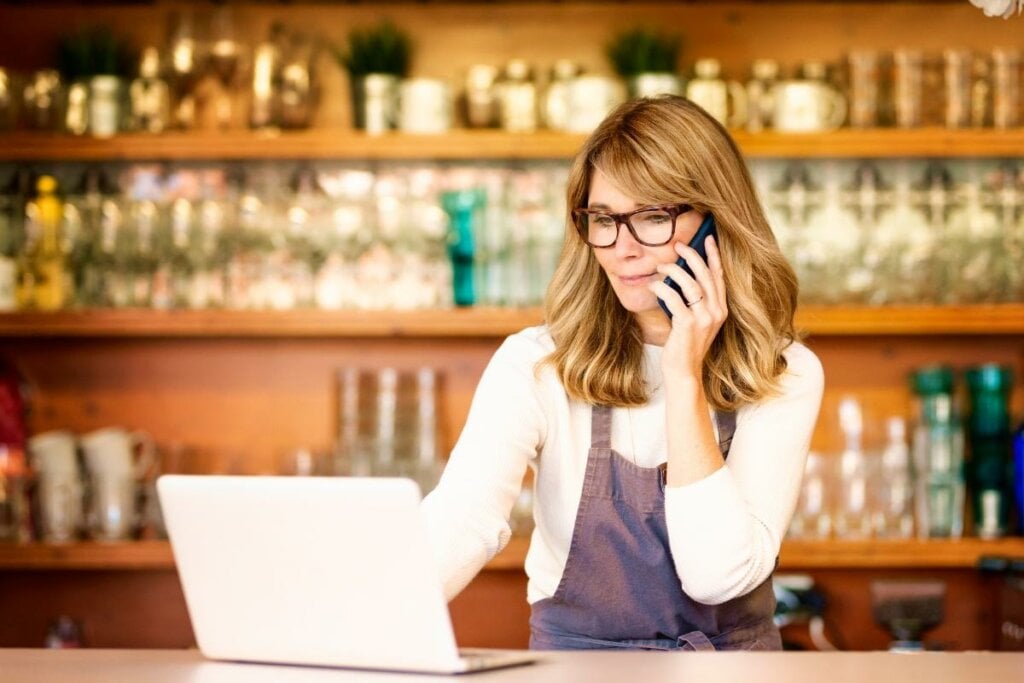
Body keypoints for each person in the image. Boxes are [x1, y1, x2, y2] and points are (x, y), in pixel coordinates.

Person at [421, 95, 824, 652]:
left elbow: (717, 575)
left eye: (654, 217)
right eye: (605, 220)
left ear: (717, 221)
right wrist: (352, 628)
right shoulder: (536, 363)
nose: (624, 249)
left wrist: (684, 374)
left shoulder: (784, 373)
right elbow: (462, 519)